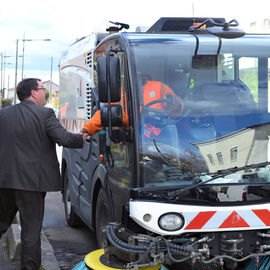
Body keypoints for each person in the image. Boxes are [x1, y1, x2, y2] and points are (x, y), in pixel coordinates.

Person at [0, 78, 87, 270]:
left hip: (4, 181)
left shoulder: (3, 114)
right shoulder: (45, 114)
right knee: (31, 233)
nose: (45, 93)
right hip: (31, 184)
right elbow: (64, 138)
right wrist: (81, 137)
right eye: (42, 89)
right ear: (33, 93)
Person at [81, 79, 183, 135]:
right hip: (134, 141)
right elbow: (105, 113)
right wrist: (86, 129)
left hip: (162, 137)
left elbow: (176, 109)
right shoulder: (120, 94)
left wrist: (176, 103)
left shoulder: (160, 88)